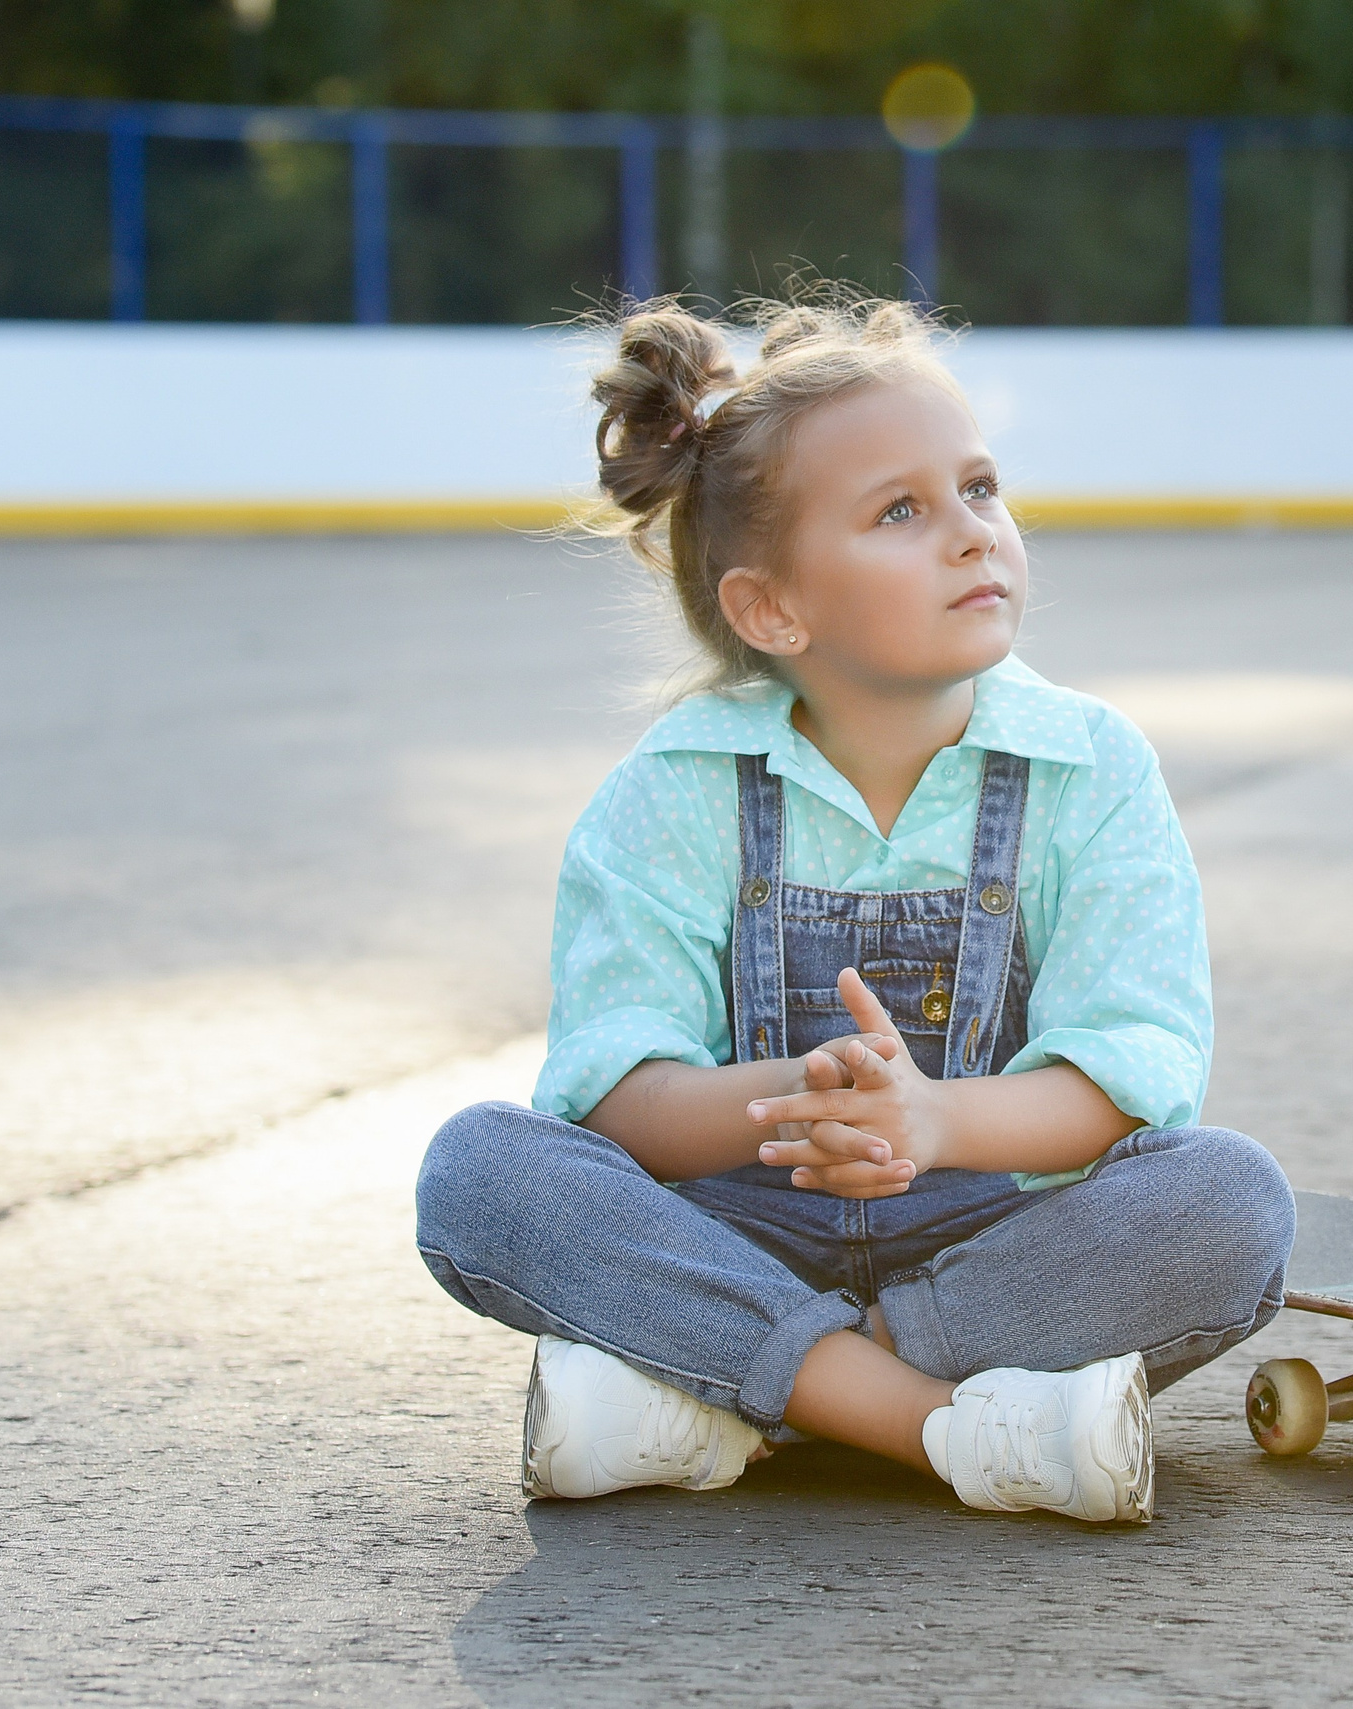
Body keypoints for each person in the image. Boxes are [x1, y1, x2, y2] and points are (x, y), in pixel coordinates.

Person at [413, 291, 1295, 1524]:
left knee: (1229, 1198)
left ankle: (723, 1397)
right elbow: (619, 1095)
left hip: (990, 1238)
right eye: (901, 511)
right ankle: (941, 1426)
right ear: (773, 609)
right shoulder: (673, 788)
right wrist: (795, 1101)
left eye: (980, 489)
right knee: (480, 1172)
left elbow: (1126, 1075)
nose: (972, 533)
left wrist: (931, 1121)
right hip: (736, 1227)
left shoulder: (1090, 768)